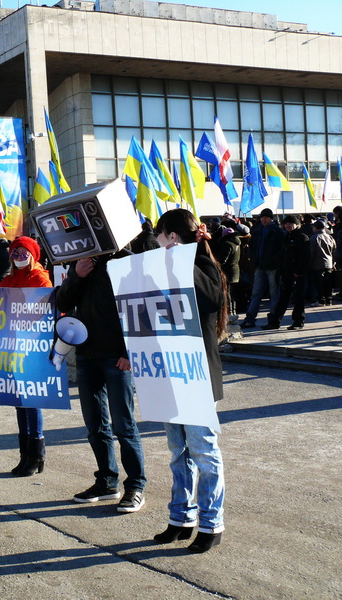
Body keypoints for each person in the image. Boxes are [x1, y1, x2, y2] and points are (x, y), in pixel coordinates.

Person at [153, 208, 227, 553]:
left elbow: (212, 298)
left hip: (197, 375)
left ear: (172, 236)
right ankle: (181, 518)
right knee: (177, 452)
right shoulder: (159, 266)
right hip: (169, 373)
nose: (155, 241)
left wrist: (181, 260)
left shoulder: (203, 263)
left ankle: (212, 524)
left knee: (203, 452)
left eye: (159, 234)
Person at [56, 249, 147, 513]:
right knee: (95, 424)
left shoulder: (126, 260)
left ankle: (136, 486)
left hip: (116, 357)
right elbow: (63, 303)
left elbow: (139, 307)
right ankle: (107, 481)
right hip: (87, 354)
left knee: (124, 426)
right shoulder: (81, 262)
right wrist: (77, 276)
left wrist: (129, 351)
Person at [0, 236, 52, 476]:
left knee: (31, 400)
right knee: (19, 401)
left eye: (23, 254)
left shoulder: (40, 278)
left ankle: (36, 453)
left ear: (33, 255)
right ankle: (25, 454)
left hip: (32, 346)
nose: (19, 258)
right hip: (12, 343)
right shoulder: (8, 280)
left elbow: (47, 310)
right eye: (15, 254)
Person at [262, 214, 311, 330]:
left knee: (298, 299)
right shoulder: (286, 237)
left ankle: (298, 321)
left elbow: (305, 257)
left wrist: (299, 272)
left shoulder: (302, 238)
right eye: (286, 223)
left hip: (297, 274)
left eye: (291, 223)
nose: (288, 225)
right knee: (283, 298)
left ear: (297, 224)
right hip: (285, 273)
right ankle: (275, 322)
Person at [240, 208, 285, 328]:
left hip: (272, 267)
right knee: (256, 293)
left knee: (274, 293)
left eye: (266, 217)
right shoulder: (257, 230)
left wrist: (275, 260)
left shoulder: (277, 231)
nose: (264, 219)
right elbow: (253, 246)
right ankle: (250, 318)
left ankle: (274, 318)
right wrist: (253, 258)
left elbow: (282, 249)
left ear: (271, 218)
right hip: (259, 266)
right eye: (262, 217)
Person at [308, 220, 336, 307]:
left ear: (315, 228)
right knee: (328, 284)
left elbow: (311, 253)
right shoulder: (330, 237)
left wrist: (309, 264)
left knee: (319, 284)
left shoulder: (313, 238)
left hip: (317, 265)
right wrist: (333, 263)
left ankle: (320, 300)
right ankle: (329, 300)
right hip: (329, 264)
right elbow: (334, 251)